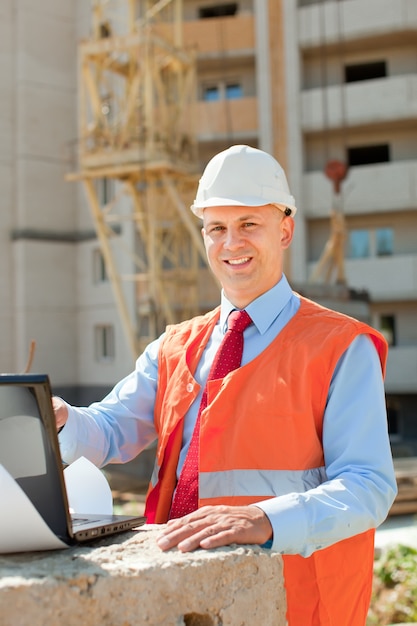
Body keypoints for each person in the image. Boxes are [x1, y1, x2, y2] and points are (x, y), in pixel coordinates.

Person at [54, 144, 397, 625]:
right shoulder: (176, 346)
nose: (231, 243)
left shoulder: (340, 347)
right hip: (181, 597)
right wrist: (62, 420)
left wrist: (264, 519)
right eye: (217, 228)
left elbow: (368, 486)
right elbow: (111, 430)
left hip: (292, 604)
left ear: (285, 230)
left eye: (248, 225)